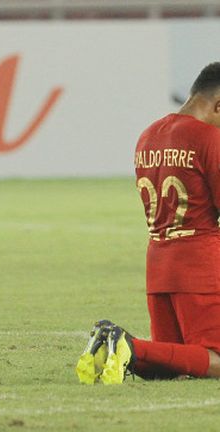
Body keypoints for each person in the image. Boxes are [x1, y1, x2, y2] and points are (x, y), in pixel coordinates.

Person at [76, 62, 220, 384]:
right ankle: (131, 345)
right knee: (214, 359)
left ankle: (114, 345)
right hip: (200, 262)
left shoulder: (148, 136)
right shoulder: (208, 138)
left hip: (159, 261)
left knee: (177, 365)